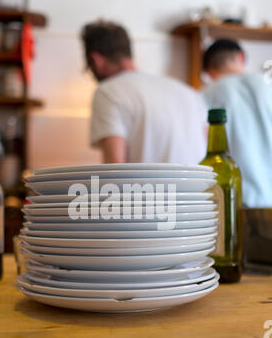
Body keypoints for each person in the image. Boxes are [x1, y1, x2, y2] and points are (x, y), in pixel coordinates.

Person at [81, 20, 207, 165]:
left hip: (148, 188)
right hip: (200, 188)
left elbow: (114, 168)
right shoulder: (189, 92)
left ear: (96, 60)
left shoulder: (108, 92)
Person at [203, 39, 272, 208]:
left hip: (237, 201)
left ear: (209, 71)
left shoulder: (208, 95)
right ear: (241, 57)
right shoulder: (267, 85)